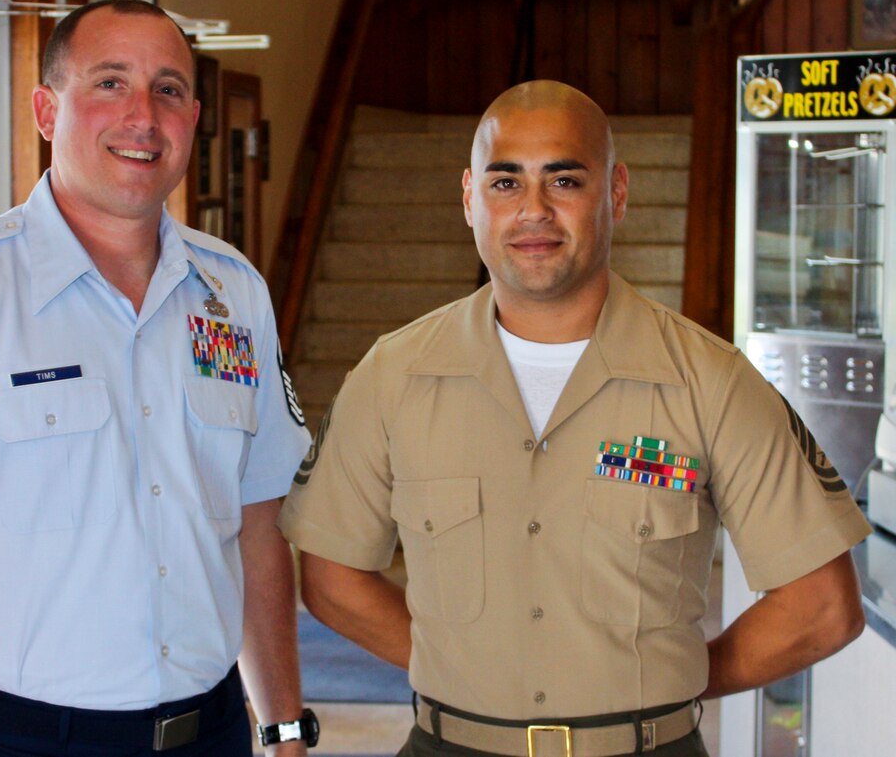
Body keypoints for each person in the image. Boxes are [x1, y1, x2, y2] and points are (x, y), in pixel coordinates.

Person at [277, 80, 872, 757]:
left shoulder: (711, 381)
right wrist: (468, 671)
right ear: (469, 197)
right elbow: (329, 575)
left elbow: (822, 606)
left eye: (564, 180)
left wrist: (677, 677)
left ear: (616, 194)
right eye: (506, 183)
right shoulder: (391, 377)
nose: (534, 210)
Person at [0, 0, 316, 757]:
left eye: (166, 90)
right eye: (109, 83)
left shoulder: (234, 294)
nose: (142, 116)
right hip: (26, 738)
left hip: (212, 732)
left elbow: (257, 533)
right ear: (45, 109)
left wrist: (284, 724)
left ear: (194, 116)